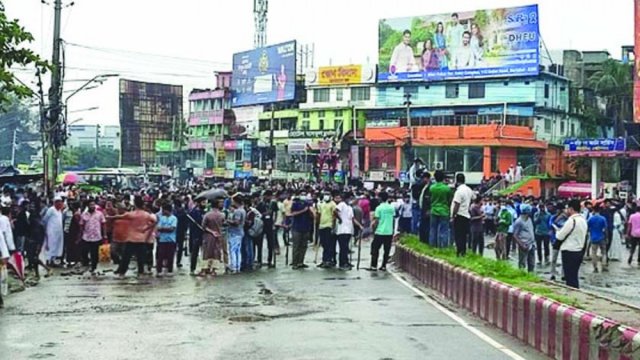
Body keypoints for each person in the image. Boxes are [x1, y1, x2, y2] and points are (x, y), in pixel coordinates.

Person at [112, 196, 157, 278]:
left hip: (131, 238)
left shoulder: (132, 214)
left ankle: (122, 274)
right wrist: (145, 229)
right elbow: (154, 222)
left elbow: (120, 216)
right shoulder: (146, 215)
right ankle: (140, 273)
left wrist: (109, 217)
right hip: (141, 238)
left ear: (135, 204)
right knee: (140, 258)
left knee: (126, 257)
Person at [555, 199, 588, 289]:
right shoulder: (583, 220)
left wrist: (557, 231)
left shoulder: (571, 221)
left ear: (571, 209)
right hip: (579, 251)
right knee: (574, 276)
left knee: (569, 277)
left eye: (568, 209)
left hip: (569, 251)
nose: (567, 211)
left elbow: (560, 236)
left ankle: (572, 295)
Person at [79, 200, 107, 275]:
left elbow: (103, 224)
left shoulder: (99, 214)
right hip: (86, 236)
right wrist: (80, 235)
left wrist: (104, 235)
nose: (92, 206)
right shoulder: (84, 214)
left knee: (94, 253)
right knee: (84, 251)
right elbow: (81, 225)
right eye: (91, 205)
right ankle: (86, 263)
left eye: (93, 205)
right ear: (88, 206)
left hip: (96, 236)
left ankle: (94, 266)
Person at [370, 191, 395, 271]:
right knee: (386, 250)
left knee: (375, 248)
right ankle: (384, 266)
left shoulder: (379, 208)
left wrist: (373, 229)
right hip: (389, 232)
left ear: (380, 198)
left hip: (380, 231)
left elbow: (376, 220)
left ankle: (374, 265)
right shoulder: (391, 207)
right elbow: (393, 219)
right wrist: (393, 229)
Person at [290, 192, 315, 270]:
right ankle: (295, 263)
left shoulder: (308, 204)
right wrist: (303, 210)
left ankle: (301, 262)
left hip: (306, 228)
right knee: (296, 246)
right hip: (296, 228)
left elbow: (313, 216)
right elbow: (293, 214)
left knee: (304, 246)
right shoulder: (295, 204)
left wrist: (311, 210)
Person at [451, 173, 474, 256]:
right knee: (464, 235)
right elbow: (473, 199)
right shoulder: (469, 190)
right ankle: (463, 252)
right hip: (466, 215)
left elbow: (456, 204)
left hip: (459, 215)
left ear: (457, 181)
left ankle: (459, 251)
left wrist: (453, 215)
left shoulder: (459, 191)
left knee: (458, 235)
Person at [201, 198, 225, 276]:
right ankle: (214, 270)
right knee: (216, 252)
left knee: (207, 252)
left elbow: (203, 226)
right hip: (218, 235)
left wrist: (211, 231)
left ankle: (205, 269)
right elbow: (223, 224)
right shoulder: (222, 215)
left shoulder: (207, 215)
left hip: (208, 236)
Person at [334, 192, 357, 270]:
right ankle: (342, 263)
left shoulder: (350, 207)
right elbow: (335, 211)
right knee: (343, 247)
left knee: (346, 247)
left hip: (349, 229)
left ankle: (346, 262)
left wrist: (360, 225)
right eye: (351, 198)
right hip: (342, 229)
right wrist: (340, 219)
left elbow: (352, 218)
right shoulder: (342, 204)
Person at [429, 170, 451, 248]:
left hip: (434, 210)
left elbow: (430, 199)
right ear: (443, 178)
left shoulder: (431, 188)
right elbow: (449, 200)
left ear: (435, 178)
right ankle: (444, 248)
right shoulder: (447, 189)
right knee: (444, 230)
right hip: (444, 211)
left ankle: (432, 247)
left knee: (433, 230)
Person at [257, 190, 278, 268]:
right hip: (262, 224)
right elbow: (257, 214)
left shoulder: (273, 204)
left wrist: (275, 222)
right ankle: (259, 260)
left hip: (270, 225)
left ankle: (270, 260)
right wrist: (264, 214)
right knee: (260, 243)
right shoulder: (260, 204)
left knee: (271, 243)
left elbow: (276, 213)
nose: (268, 197)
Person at [156, 204, 177, 277]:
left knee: (170, 256)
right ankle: (159, 271)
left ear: (167, 210)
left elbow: (172, 229)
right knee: (160, 256)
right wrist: (166, 228)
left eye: (163, 210)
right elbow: (158, 228)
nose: (162, 211)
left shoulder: (174, 218)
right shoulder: (161, 218)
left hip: (171, 240)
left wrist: (163, 228)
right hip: (162, 240)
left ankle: (170, 270)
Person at [513, 204, 536, 273]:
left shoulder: (529, 219)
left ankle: (530, 275)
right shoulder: (519, 221)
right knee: (522, 262)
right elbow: (515, 235)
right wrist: (521, 244)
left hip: (531, 244)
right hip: (524, 244)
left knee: (532, 262)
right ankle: (521, 275)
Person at [227, 194, 246, 274]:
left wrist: (228, 221)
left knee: (233, 250)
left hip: (235, 232)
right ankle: (237, 266)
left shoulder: (238, 211)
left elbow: (237, 222)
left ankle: (234, 266)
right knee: (238, 251)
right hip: (240, 232)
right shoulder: (243, 210)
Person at [43, 197, 65, 266]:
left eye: (61, 202)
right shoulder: (51, 210)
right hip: (51, 232)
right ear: (55, 203)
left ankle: (53, 260)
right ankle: (48, 260)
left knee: (56, 246)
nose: (60, 203)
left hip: (58, 232)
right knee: (50, 245)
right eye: (58, 202)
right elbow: (45, 219)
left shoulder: (59, 211)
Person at [317, 192, 337, 268]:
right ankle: (324, 260)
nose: (326, 196)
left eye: (328, 194)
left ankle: (328, 260)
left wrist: (333, 227)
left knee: (329, 244)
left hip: (329, 225)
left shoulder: (333, 204)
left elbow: (334, 216)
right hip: (321, 226)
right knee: (324, 244)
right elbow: (319, 214)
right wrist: (318, 223)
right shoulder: (321, 204)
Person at [587, 205, 608, 273]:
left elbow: (587, 227)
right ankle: (604, 265)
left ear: (593, 210)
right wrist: (606, 237)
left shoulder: (591, 219)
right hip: (601, 237)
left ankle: (595, 267)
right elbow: (605, 229)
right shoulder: (603, 218)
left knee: (594, 253)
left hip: (593, 237)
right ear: (599, 211)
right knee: (604, 252)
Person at [174, 201, 188, 269]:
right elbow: (186, 224)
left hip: (174, 232)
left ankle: (171, 261)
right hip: (181, 232)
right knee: (180, 248)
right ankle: (178, 262)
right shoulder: (184, 213)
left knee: (173, 247)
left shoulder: (173, 213)